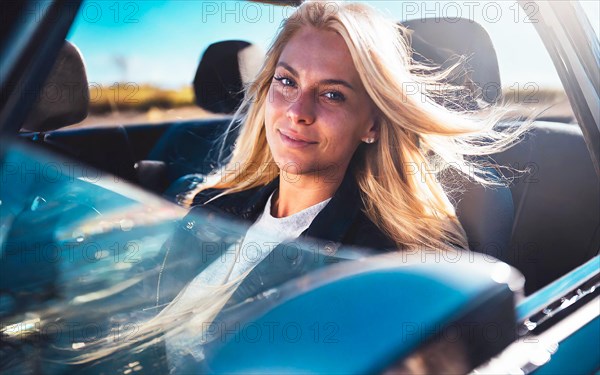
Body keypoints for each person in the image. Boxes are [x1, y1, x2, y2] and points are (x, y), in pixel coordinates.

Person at [72, 1, 528, 370]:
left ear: (371, 122)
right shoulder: (214, 203)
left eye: (332, 94)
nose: (297, 110)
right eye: (287, 82)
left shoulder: (383, 261)